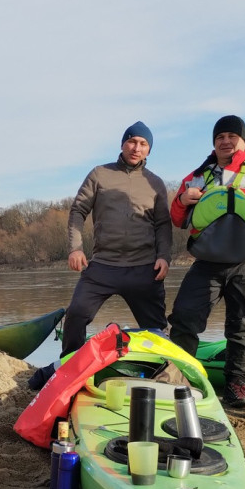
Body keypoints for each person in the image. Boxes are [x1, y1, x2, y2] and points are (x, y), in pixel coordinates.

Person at [167, 116, 245, 409]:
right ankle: (182, 381)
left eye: (232, 136)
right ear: (214, 143)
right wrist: (184, 199)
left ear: (244, 141)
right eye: (220, 137)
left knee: (242, 325)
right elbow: (176, 218)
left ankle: (236, 387)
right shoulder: (198, 176)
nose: (225, 141)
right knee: (184, 319)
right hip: (207, 261)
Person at [58, 121, 172, 356]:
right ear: (122, 144)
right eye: (131, 141)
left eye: (143, 144)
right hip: (103, 266)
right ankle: (68, 365)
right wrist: (75, 248)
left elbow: (162, 224)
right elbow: (78, 211)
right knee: (76, 314)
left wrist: (164, 256)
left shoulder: (156, 183)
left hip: (144, 267)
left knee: (156, 330)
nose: (136, 148)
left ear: (149, 150)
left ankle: (163, 369)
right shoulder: (100, 174)